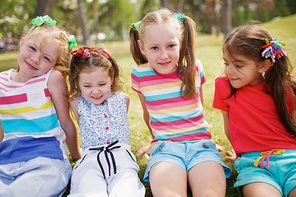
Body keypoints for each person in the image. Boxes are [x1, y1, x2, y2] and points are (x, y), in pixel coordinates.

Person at [129, 9, 231, 197]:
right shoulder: (139, 74)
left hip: (201, 146)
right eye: (154, 48)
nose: (164, 55)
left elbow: (199, 109)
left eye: (170, 46)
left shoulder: (194, 67)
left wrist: (204, 139)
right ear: (142, 47)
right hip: (165, 148)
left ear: (180, 43)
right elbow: (147, 114)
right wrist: (156, 140)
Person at [0, 15, 81, 197]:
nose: (36, 59)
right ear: (22, 44)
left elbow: (66, 123)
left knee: (38, 184)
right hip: (7, 159)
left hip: (46, 158)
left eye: (46, 58)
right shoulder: (1, 82)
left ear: (55, 64)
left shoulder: (51, 79)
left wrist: (76, 154)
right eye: (32, 48)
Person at [213, 25, 296, 197]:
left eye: (238, 65)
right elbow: (230, 129)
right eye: (226, 63)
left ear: (263, 65)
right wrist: (242, 153)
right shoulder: (224, 86)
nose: (229, 71)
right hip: (255, 166)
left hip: (292, 160)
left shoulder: (284, 87)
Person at [67, 47, 145, 197]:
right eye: (87, 86)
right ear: (77, 82)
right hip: (91, 158)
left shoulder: (123, 99)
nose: (96, 91)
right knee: (88, 187)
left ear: (111, 77)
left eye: (102, 84)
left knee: (126, 188)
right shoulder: (76, 102)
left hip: (121, 156)